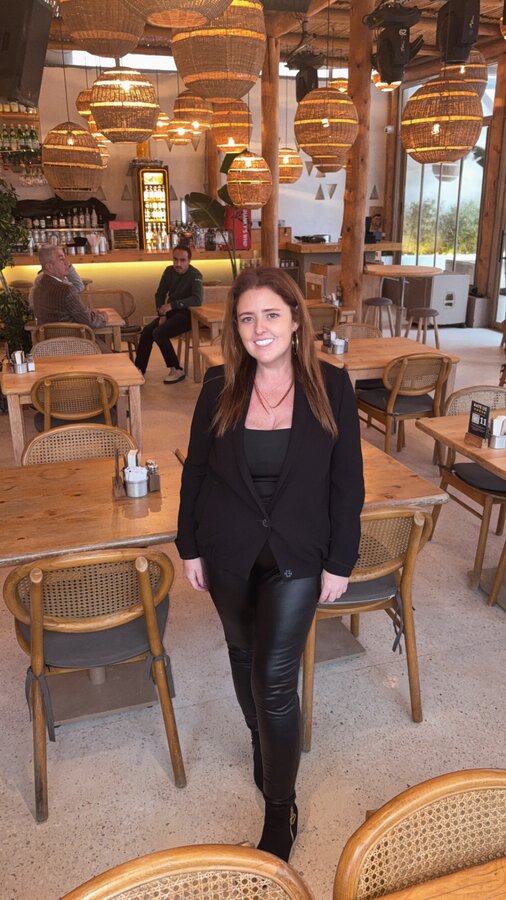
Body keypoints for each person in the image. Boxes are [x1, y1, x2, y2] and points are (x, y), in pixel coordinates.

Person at [176, 266, 364, 861]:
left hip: (299, 554)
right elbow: (196, 470)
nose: (260, 328)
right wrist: (188, 546)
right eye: (247, 318)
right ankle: (262, 742)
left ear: (295, 320)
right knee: (241, 653)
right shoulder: (218, 385)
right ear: (236, 329)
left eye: (271, 315)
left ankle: (280, 808)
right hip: (228, 548)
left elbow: (347, 482)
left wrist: (340, 560)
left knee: (274, 679)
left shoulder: (331, 386)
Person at [134, 245, 203, 384]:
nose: (178, 264)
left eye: (182, 260)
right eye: (175, 259)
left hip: (188, 314)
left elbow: (197, 300)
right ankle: (139, 369)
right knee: (147, 331)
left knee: (159, 332)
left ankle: (176, 369)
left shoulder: (195, 275)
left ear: (189, 261)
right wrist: (161, 315)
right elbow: (160, 294)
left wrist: (172, 305)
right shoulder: (169, 271)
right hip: (171, 312)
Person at [31, 245, 107, 334]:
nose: (67, 263)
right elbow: (91, 322)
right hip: (71, 340)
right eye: (61, 259)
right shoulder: (66, 290)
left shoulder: (38, 287)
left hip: (46, 341)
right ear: (49, 267)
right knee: (103, 340)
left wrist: (87, 312)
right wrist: (103, 316)